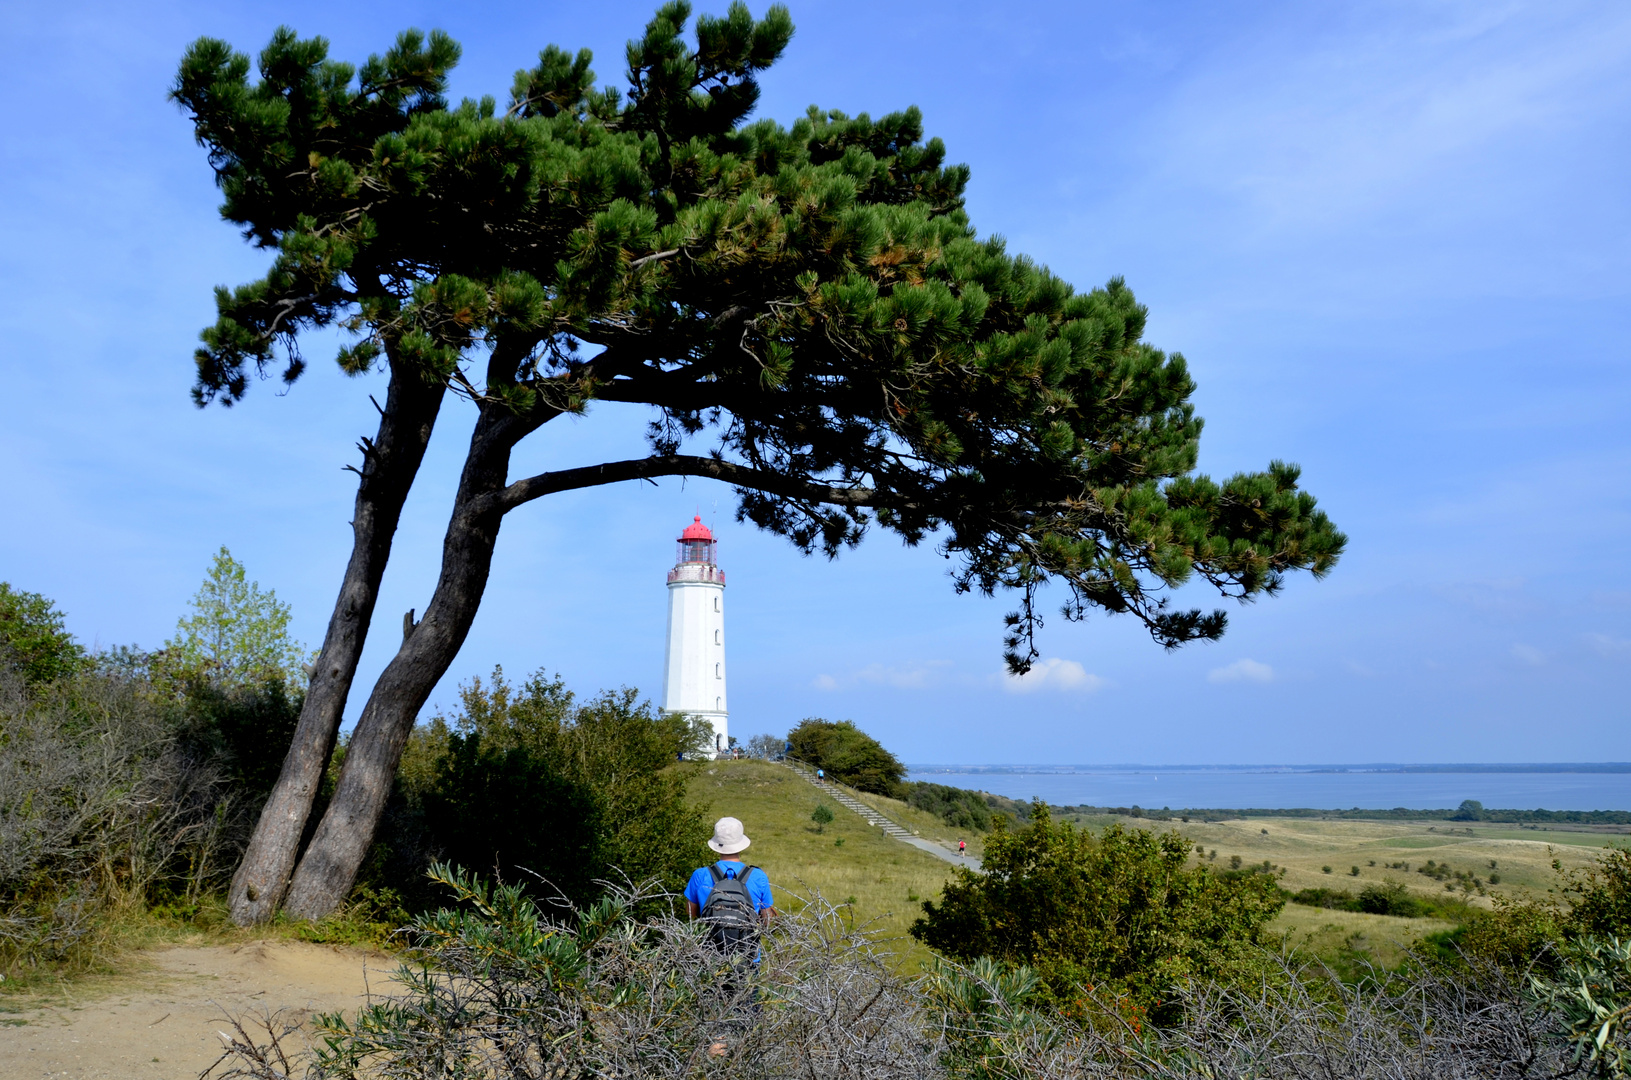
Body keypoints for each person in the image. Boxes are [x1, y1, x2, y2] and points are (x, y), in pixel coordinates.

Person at [685, 817, 775, 1056]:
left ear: (715, 844)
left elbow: (692, 917)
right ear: (741, 845)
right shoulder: (758, 876)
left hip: (709, 959)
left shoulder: (700, 875)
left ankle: (713, 1062)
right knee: (747, 1018)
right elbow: (767, 919)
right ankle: (743, 1062)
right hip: (747, 959)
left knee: (713, 1017)